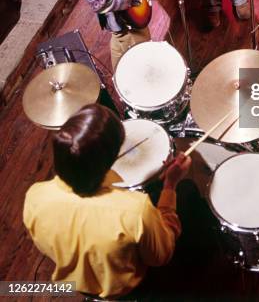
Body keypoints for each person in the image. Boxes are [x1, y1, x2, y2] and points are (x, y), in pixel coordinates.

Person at [23, 104, 191, 299]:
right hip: (131, 290)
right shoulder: (134, 210)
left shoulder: (34, 197)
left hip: (78, 285)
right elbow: (162, 256)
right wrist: (170, 184)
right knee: (189, 193)